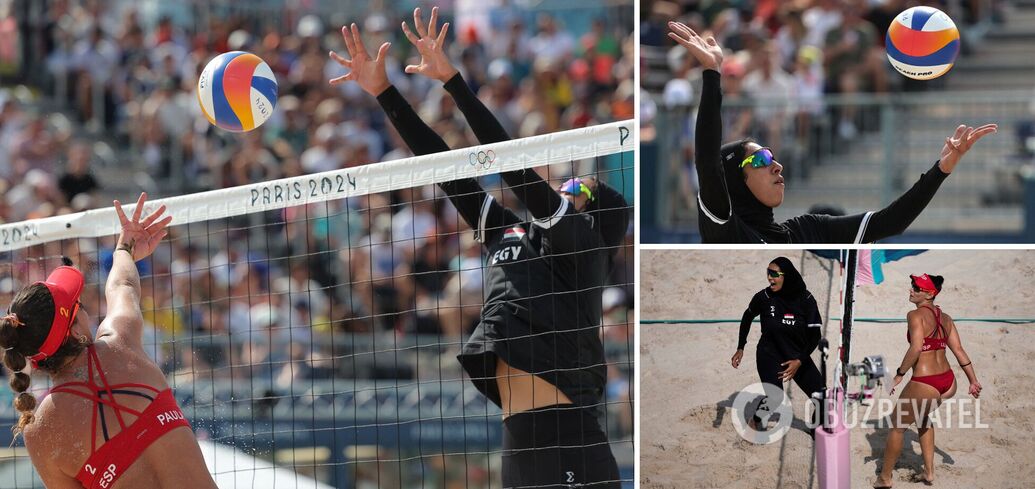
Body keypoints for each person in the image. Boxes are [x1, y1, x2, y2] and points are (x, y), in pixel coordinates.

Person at [328, 8, 628, 488]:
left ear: (594, 218)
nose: (569, 185)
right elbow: (445, 170)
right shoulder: (511, 234)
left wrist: (454, 82)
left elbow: (510, 164)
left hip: (566, 436)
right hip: (519, 440)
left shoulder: (583, 247)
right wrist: (384, 92)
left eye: (581, 187)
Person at [667, 21, 998, 244]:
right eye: (761, 158)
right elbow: (707, 162)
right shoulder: (724, 226)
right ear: (732, 179)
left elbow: (889, 223)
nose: (776, 164)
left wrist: (941, 170)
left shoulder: (806, 230)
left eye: (773, 155)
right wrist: (712, 73)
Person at [0, 193, 217, 488]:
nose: (87, 310)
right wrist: (124, 247)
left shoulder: (41, 432)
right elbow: (123, 284)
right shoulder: (120, 339)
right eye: (80, 307)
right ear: (76, 330)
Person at [874, 273, 981, 488]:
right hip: (947, 382)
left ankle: (884, 479)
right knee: (922, 417)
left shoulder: (915, 316)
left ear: (930, 293)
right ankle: (929, 472)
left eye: (917, 287)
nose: (911, 290)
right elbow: (958, 350)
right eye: (912, 285)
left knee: (897, 426)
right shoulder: (946, 318)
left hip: (926, 381)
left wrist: (899, 374)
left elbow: (915, 348)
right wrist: (973, 381)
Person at [732, 257, 823, 429]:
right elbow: (747, 316)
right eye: (768, 272)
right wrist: (740, 347)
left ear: (786, 276)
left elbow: (815, 336)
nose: (769, 278)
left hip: (796, 355)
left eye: (774, 274)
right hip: (769, 354)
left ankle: (814, 430)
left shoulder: (806, 299)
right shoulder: (764, 297)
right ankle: (756, 421)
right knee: (775, 398)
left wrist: (799, 361)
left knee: (822, 398)